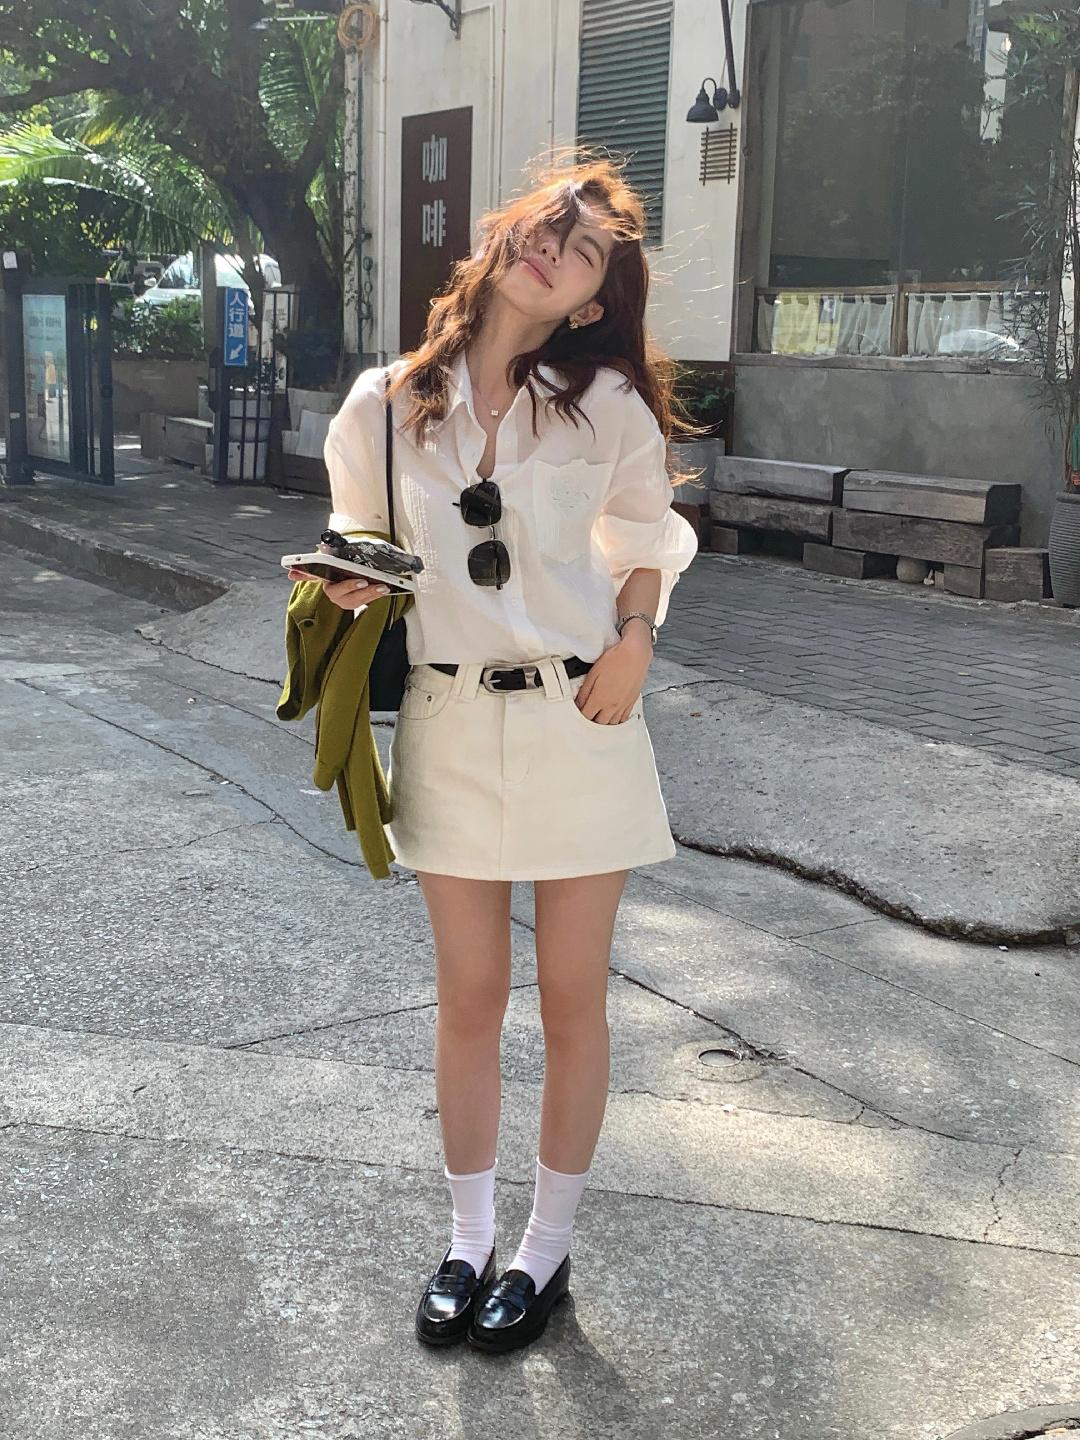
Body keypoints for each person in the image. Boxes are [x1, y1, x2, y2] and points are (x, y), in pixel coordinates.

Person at [288, 155, 699, 1354]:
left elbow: (648, 542)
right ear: (504, 237)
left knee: (574, 999)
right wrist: (341, 588)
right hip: (451, 719)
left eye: (584, 251)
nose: (554, 249)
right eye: (546, 226)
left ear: (591, 300)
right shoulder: (382, 405)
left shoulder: (605, 403)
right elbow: (362, 544)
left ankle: (543, 1251)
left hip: (583, 719)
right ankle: (468, 1240)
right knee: (470, 997)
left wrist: (636, 641)